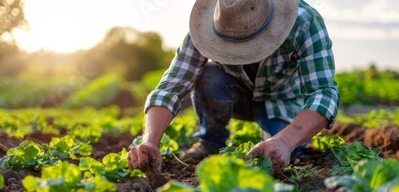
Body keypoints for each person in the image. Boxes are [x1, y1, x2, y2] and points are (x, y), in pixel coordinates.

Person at [128, 0, 340, 174]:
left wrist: (285, 142)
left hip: (282, 100)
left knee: (279, 156)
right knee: (208, 77)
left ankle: (284, 139)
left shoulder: (304, 23)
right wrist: (150, 141)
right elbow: (172, 87)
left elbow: (323, 92)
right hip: (234, 92)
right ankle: (211, 142)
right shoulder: (205, 27)